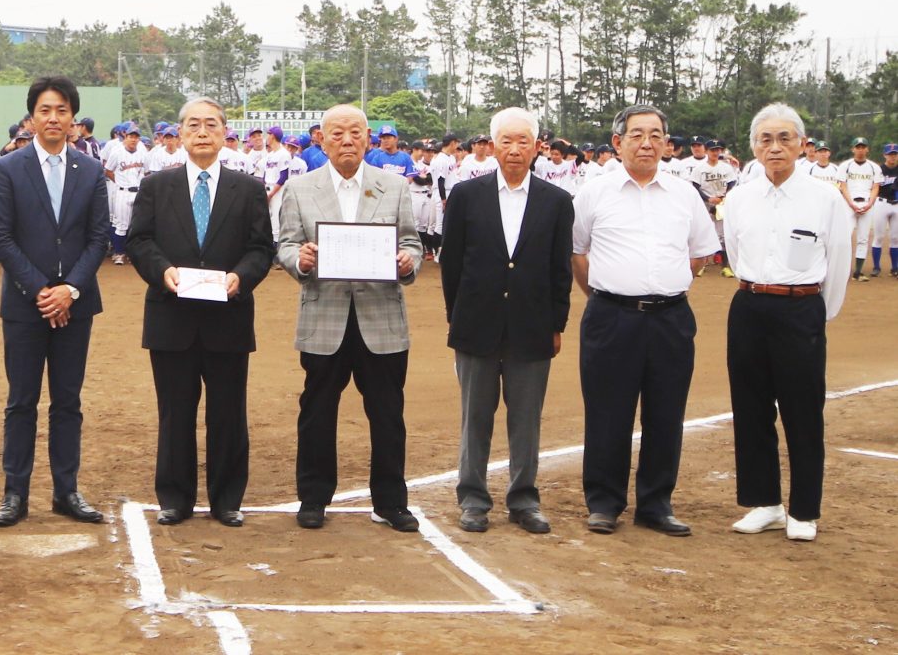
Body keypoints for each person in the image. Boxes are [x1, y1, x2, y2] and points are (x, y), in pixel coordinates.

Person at [571, 105, 718, 536]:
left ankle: (656, 503)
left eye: (656, 135)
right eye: (636, 135)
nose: (647, 143)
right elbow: (577, 252)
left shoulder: (683, 194)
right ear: (618, 143)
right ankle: (604, 502)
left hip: (671, 319)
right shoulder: (594, 193)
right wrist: (602, 293)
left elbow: (700, 252)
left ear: (667, 144)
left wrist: (665, 286)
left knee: (666, 413)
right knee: (607, 413)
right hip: (611, 317)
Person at [126, 97, 273, 528]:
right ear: (181, 133)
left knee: (228, 412)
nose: (203, 132)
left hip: (228, 317)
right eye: (194, 125)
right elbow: (139, 241)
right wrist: (163, 271)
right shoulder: (157, 186)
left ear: (226, 133)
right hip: (171, 316)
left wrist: (240, 278)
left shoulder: (247, 188)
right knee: (175, 412)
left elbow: (261, 247)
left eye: (211, 124)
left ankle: (227, 499)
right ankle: (175, 497)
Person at [277, 104, 423, 532]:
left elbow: (413, 243)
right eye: (336, 133)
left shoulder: (393, 186)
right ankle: (314, 497)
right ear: (319, 140)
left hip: (381, 316)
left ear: (368, 139)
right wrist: (299, 259)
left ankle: (391, 501)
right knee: (317, 410)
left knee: (387, 412)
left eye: (355, 133)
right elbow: (285, 244)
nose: (346, 140)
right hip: (325, 315)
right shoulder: (301, 188)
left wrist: (406, 262)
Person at [440, 107, 573, 534]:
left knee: (526, 419)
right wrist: (456, 318)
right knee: (474, 416)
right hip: (476, 325)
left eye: (523, 142)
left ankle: (523, 498)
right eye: (506, 141)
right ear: (492, 146)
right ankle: (474, 498)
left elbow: (560, 270)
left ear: (538, 147)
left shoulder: (556, 202)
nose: (514, 150)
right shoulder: (466, 196)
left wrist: (557, 324)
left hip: (532, 327)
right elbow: (452, 265)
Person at [724, 103, 852, 542]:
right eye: (765, 139)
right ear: (754, 147)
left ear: (801, 145)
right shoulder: (740, 197)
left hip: (801, 310)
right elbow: (736, 253)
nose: (775, 147)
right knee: (750, 407)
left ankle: (803, 510)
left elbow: (837, 263)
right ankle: (765, 503)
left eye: (784, 139)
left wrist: (817, 314)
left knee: (802, 410)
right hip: (749, 305)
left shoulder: (825, 198)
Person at [0, 76, 111, 527]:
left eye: (61, 110)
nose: (53, 118)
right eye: (45, 110)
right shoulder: (10, 168)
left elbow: (99, 238)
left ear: (72, 117)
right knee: (21, 401)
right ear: (32, 117)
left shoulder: (91, 170)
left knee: (67, 401)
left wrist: (69, 290)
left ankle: (66, 490)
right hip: (25, 305)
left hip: (75, 305)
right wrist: (40, 289)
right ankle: (14, 493)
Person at [836, 137, 881, 281]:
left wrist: (870, 203)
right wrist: (851, 203)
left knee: (863, 238)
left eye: (863, 147)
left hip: (867, 204)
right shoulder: (845, 166)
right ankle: (843, 270)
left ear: (867, 149)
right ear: (853, 149)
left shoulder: (874, 167)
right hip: (849, 204)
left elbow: (875, 187)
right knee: (845, 237)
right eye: (858, 147)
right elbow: (842, 186)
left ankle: (858, 272)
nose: (860, 149)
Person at [691, 139, 738, 277]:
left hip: (721, 204)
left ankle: (725, 266)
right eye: (712, 150)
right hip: (705, 204)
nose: (715, 152)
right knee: (703, 233)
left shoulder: (726, 168)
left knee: (723, 234)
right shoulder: (700, 169)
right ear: (706, 151)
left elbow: (732, 182)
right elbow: (695, 186)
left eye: (718, 150)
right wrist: (708, 199)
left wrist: (724, 197)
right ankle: (702, 265)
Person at [104, 124, 147, 265]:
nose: (133, 139)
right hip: (122, 192)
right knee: (121, 225)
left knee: (136, 225)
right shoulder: (117, 152)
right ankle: (119, 253)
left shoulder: (143, 153)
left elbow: (147, 173)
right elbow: (108, 170)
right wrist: (119, 182)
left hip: (138, 192)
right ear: (125, 137)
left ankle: (132, 254)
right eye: (131, 136)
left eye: (136, 137)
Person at [870, 144, 898, 277]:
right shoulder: (879, 170)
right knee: (879, 236)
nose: (893, 156)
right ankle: (876, 267)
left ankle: (895, 268)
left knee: (895, 238)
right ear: (884, 155)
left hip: (897, 205)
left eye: (895, 154)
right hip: (881, 203)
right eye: (890, 154)